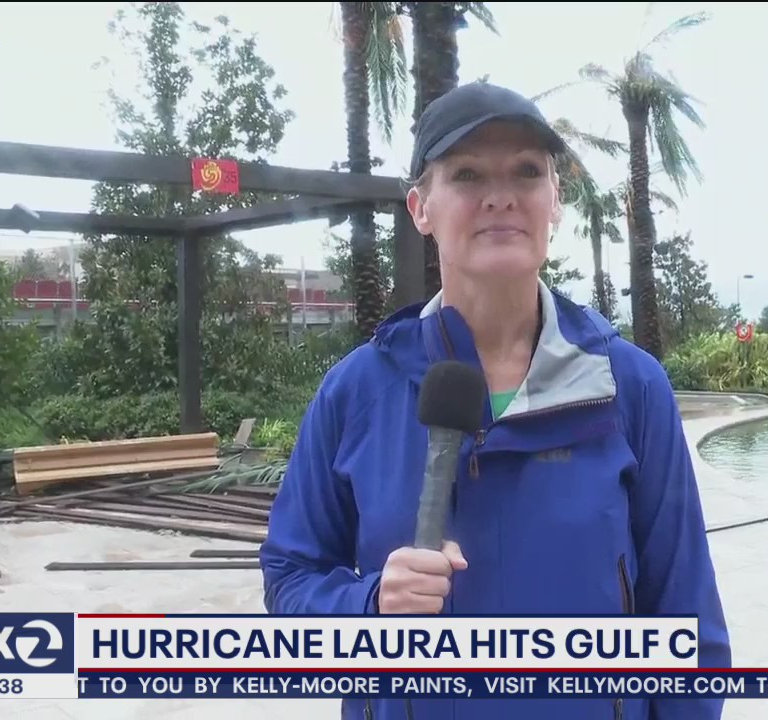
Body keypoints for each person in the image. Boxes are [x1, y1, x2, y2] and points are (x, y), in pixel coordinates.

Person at [259, 81, 731, 720]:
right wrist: (369, 605)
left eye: (528, 172)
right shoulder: (356, 391)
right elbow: (291, 578)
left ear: (555, 200)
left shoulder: (630, 387)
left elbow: (687, 615)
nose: (501, 196)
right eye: (467, 174)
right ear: (420, 209)